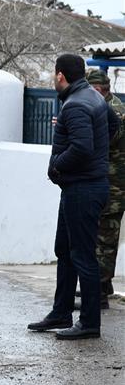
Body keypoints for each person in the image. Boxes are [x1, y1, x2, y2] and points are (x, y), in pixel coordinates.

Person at [29, 55, 117, 339]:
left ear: (60, 75)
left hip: (83, 188)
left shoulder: (77, 103)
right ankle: (60, 312)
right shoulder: (93, 96)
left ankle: (89, 323)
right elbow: (113, 127)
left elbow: (81, 147)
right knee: (65, 251)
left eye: (53, 75)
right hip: (80, 187)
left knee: (82, 255)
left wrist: (57, 165)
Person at [86, 69, 124, 309]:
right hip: (111, 183)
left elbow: (101, 142)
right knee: (103, 236)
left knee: (104, 238)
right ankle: (104, 284)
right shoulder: (111, 106)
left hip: (115, 186)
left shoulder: (114, 112)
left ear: (98, 89)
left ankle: (99, 292)